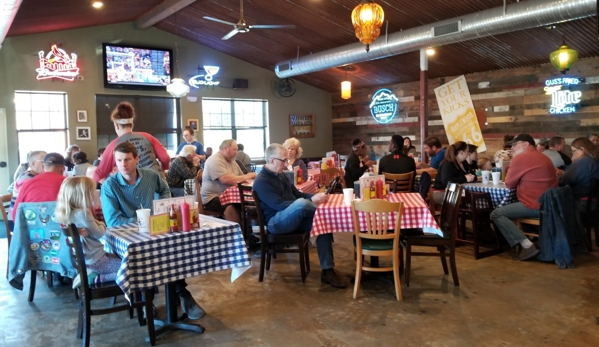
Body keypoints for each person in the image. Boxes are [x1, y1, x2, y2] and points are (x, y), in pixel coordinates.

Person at [100, 142, 204, 320]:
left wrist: (161, 207)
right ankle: (144, 299)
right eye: (118, 160)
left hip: (153, 230)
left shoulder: (150, 175)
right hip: (124, 237)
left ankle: (181, 293)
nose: (123, 165)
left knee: (172, 248)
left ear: (136, 159)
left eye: (127, 160)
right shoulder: (109, 186)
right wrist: (145, 220)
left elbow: (165, 190)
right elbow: (113, 221)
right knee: (145, 254)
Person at [253, 143, 347, 289]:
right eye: (283, 160)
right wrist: (310, 201)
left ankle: (328, 271)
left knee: (322, 221)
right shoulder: (261, 181)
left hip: (291, 217)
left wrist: (315, 196)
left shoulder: (281, 175)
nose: (286, 164)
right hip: (275, 223)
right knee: (302, 204)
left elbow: (298, 194)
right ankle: (334, 214)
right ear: (272, 160)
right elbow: (279, 205)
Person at [490, 134, 558, 261]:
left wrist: (513, 161)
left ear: (526, 144)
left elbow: (509, 183)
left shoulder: (521, 158)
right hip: (550, 204)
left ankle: (526, 245)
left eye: (515, 144)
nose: (512, 147)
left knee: (497, 214)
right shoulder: (544, 156)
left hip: (535, 205)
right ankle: (528, 237)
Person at [55, 177, 120, 288]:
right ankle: (98, 279)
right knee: (131, 268)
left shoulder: (68, 214)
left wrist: (95, 227)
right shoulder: (83, 214)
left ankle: (96, 275)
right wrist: (101, 224)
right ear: (82, 196)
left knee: (124, 262)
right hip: (98, 261)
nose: (93, 195)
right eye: (90, 192)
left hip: (88, 261)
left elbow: (94, 232)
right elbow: (100, 233)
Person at [93, 102, 170, 183]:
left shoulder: (113, 145)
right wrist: (163, 169)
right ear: (132, 125)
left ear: (116, 125)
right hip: (159, 182)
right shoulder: (148, 137)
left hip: (136, 189)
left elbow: (99, 173)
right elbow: (165, 158)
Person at [201, 139, 256, 223]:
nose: (236, 152)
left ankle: (247, 232)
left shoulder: (232, 161)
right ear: (226, 148)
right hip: (212, 198)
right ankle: (238, 233)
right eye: (234, 149)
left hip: (230, 196)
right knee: (231, 207)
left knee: (248, 203)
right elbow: (225, 179)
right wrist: (248, 176)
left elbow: (241, 177)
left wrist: (246, 178)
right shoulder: (215, 160)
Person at [12, 153, 67, 220]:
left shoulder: (27, 183)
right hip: (62, 229)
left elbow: (15, 215)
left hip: (31, 229)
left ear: (43, 167)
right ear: (63, 169)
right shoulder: (67, 183)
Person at [558, 137, 599, 210]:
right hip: (594, 201)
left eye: (573, 151)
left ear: (582, 150)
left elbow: (563, 181)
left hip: (581, 202)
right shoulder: (594, 159)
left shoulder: (582, 162)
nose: (572, 153)